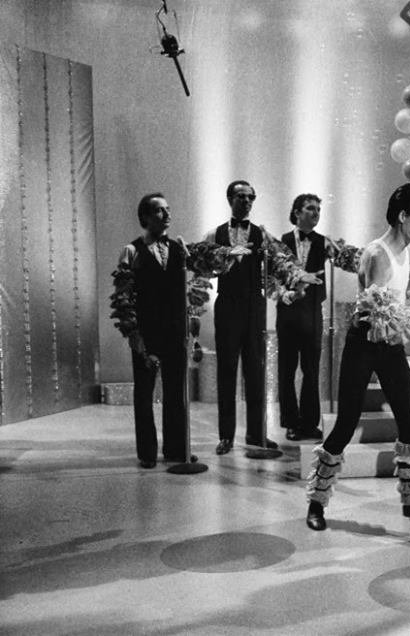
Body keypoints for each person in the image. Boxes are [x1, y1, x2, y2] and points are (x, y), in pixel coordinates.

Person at [305, 183, 410, 531]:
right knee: (346, 424)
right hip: (365, 344)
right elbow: (378, 318)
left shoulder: (406, 251)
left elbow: (394, 310)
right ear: (403, 216)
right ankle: (316, 503)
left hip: (389, 347)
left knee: (409, 422)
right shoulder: (378, 255)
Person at [110, 193, 232, 468]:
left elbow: (205, 265)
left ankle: (177, 449)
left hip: (175, 331)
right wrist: (132, 333)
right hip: (147, 331)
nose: (167, 215)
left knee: (177, 391)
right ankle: (147, 453)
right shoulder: (131, 250)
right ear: (145, 217)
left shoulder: (179, 248)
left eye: (168, 209)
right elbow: (122, 295)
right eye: (159, 211)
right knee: (144, 393)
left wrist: (227, 254)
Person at [203, 180, 300, 455]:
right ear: (229, 199)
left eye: (251, 197)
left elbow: (278, 266)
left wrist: (289, 287)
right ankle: (226, 436)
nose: (247, 201)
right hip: (227, 306)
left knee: (256, 371)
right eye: (241, 196)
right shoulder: (214, 234)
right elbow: (205, 268)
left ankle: (256, 434)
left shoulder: (262, 235)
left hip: (254, 306)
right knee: (226, 371)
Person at [276, 193, 358, 442]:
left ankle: (310, 423)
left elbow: (344, 259)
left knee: (311, 368)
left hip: (312, 310)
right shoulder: (282, 241)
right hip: (288, 311)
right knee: (287, 369)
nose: (316, 213)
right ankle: (291, 423)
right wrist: (286, 293)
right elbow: (274, 275)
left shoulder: (324, 242)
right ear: (297, 212)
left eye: (318, 210)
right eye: (310, 208)